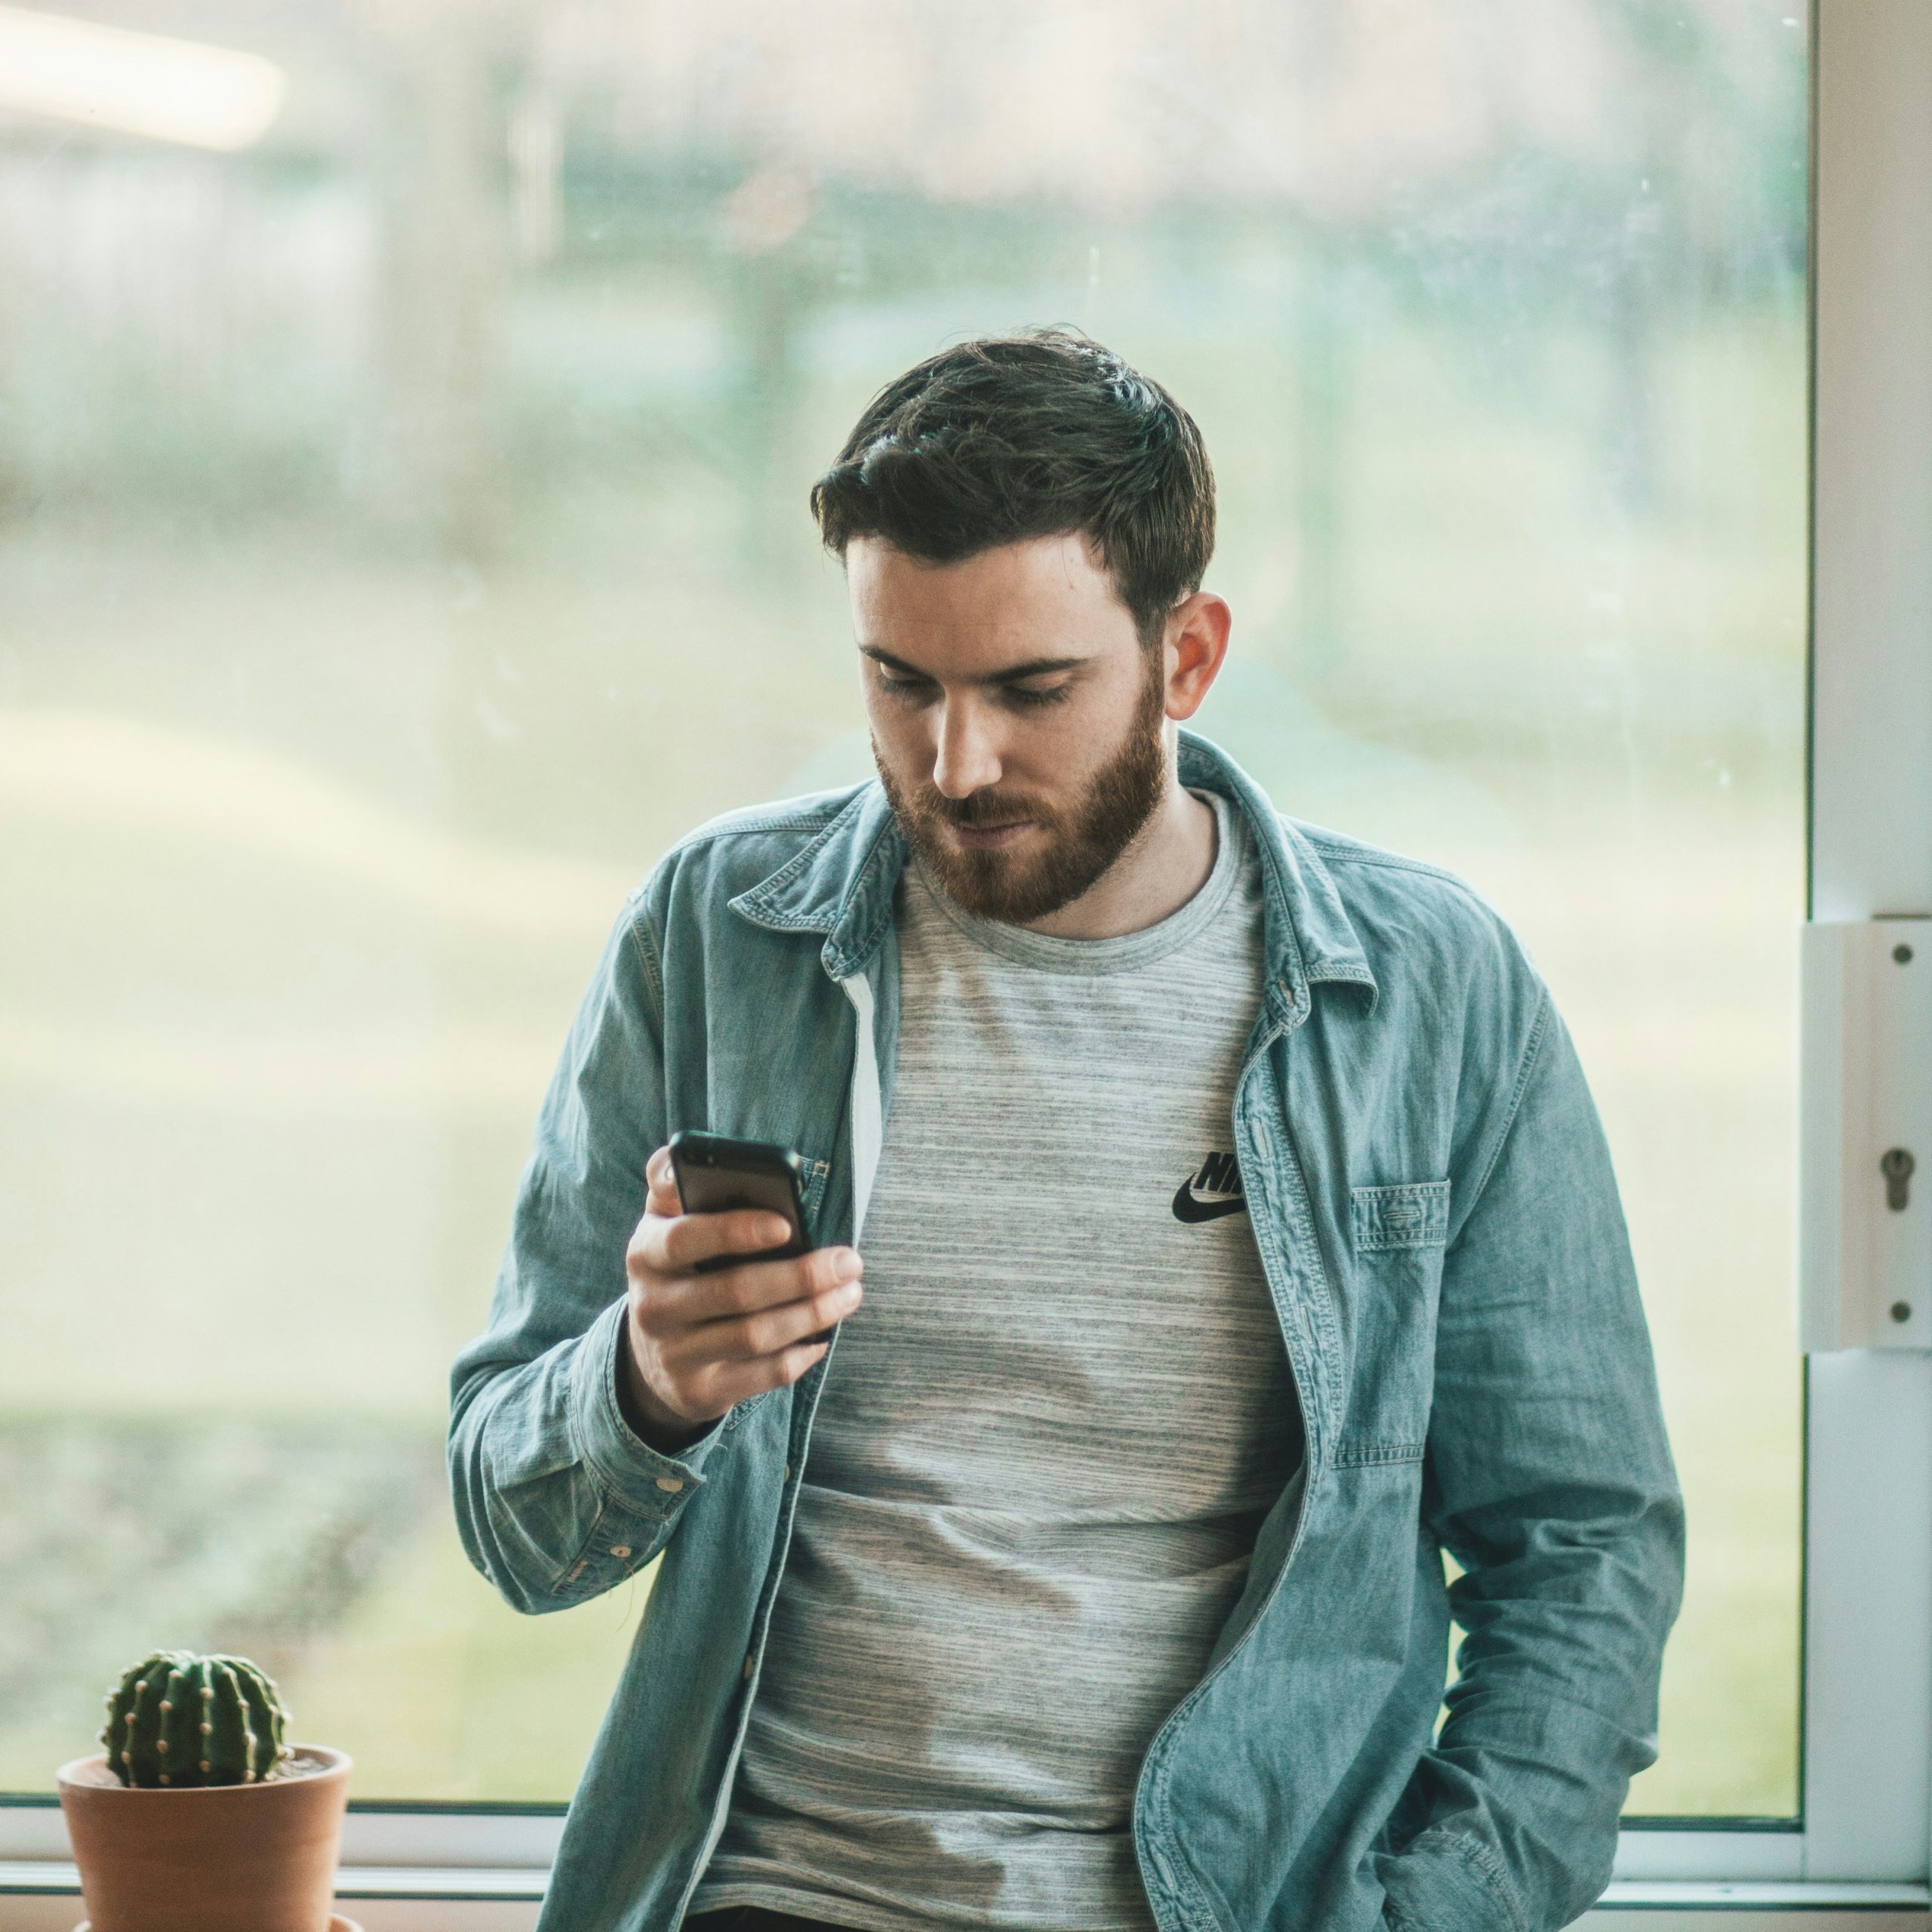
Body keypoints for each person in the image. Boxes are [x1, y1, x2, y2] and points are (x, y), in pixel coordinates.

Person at [447, 328, 1684, 1932]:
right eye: (900, 682)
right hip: (774, 1897)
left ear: (1185, 658)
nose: (954, 762)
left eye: (1030, 690)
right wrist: (649, 1381)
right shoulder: (711, 934)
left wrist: (1438, 1909)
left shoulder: (1430, 996)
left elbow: (1580, 1549)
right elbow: (511, 1519)